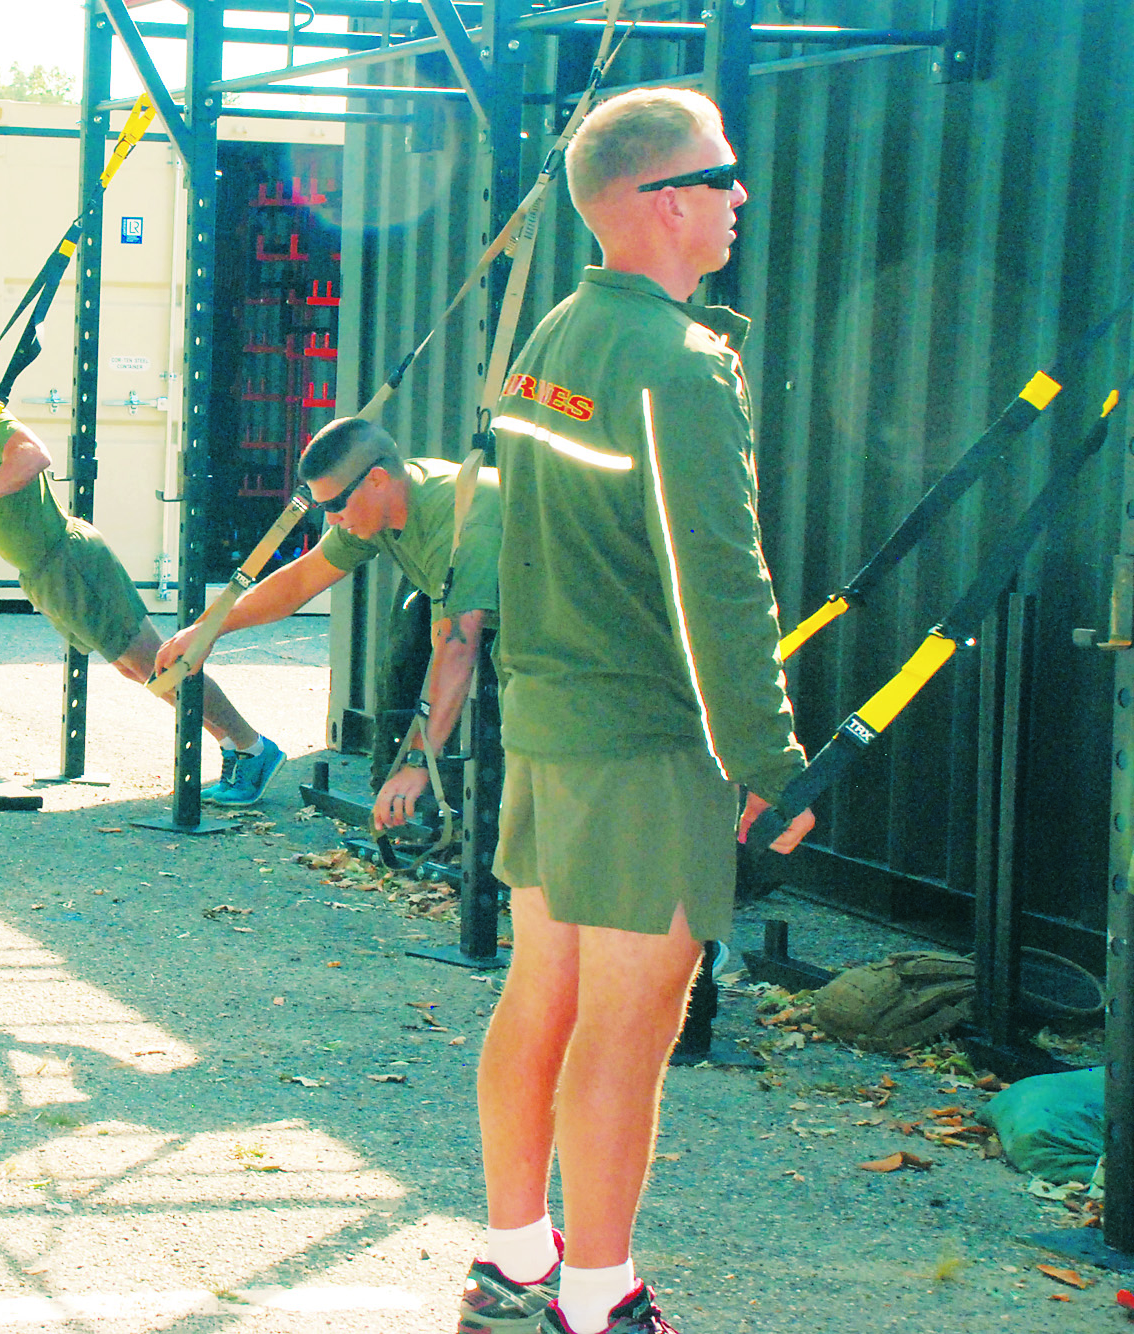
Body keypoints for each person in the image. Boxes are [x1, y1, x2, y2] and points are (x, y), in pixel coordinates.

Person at [458, 88, 813, 1334]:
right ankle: (600, 1296)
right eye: (722, 176)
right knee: (632, 1015)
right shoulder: (678, 362)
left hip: (549, 726)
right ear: (663, 201)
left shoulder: (559, 333)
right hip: (649, 742)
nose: (738, 196)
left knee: (541, 991)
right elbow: (718, 577)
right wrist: (769, 756)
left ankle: (513, 1259)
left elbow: (506, 536)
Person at [0, 351, 286, 804]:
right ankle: (237, 748)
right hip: (47, 573)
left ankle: (253, 747)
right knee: (139, 671)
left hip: (71, 562)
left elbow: (33, 455)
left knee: (161, 665)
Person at [156, 417, 499, 823]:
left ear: (376, 480)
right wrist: (207, 630)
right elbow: (301, 579)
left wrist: (417, 765)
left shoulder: (462, 521)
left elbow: (458, 649)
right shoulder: (381, 505)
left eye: (335, 505)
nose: (331, 519)